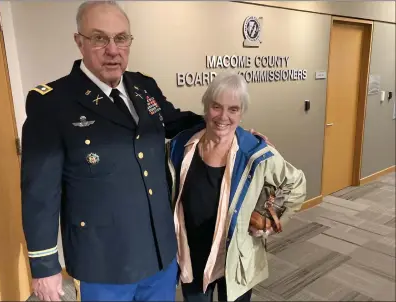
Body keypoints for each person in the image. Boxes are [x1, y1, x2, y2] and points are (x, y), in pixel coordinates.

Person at [20, 1, 271, 301]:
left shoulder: (143, 87)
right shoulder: (52, 104)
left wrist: (231, 130)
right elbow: (39, 194)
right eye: (100, 38)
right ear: (79, 42)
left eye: (121, 38)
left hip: (159, 253)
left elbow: (179, 121)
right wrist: (44, 266)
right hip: (104, 264)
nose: (113, 49)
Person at [166, 72, 307, 302]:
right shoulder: (182, 145)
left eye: (233, 109)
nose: (223, 116)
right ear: (206, 107)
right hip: (193, 253)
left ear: (241, 113)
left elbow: (296, 183)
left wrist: (269, 218)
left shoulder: (254, 152)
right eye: (216, 107)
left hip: (236, 255)